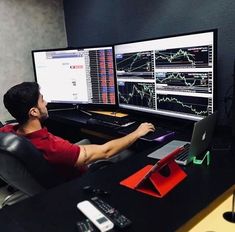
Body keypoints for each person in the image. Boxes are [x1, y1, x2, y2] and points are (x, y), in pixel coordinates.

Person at [0, 82, 155, 180]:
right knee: (129, 153)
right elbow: (106, 151)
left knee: (87, 141)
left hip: (47, 171)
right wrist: (137, 133)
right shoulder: (53, 147)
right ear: (33, 112)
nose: (46, 103)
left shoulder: (7, 132)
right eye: (42, 100)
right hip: (78, 179)